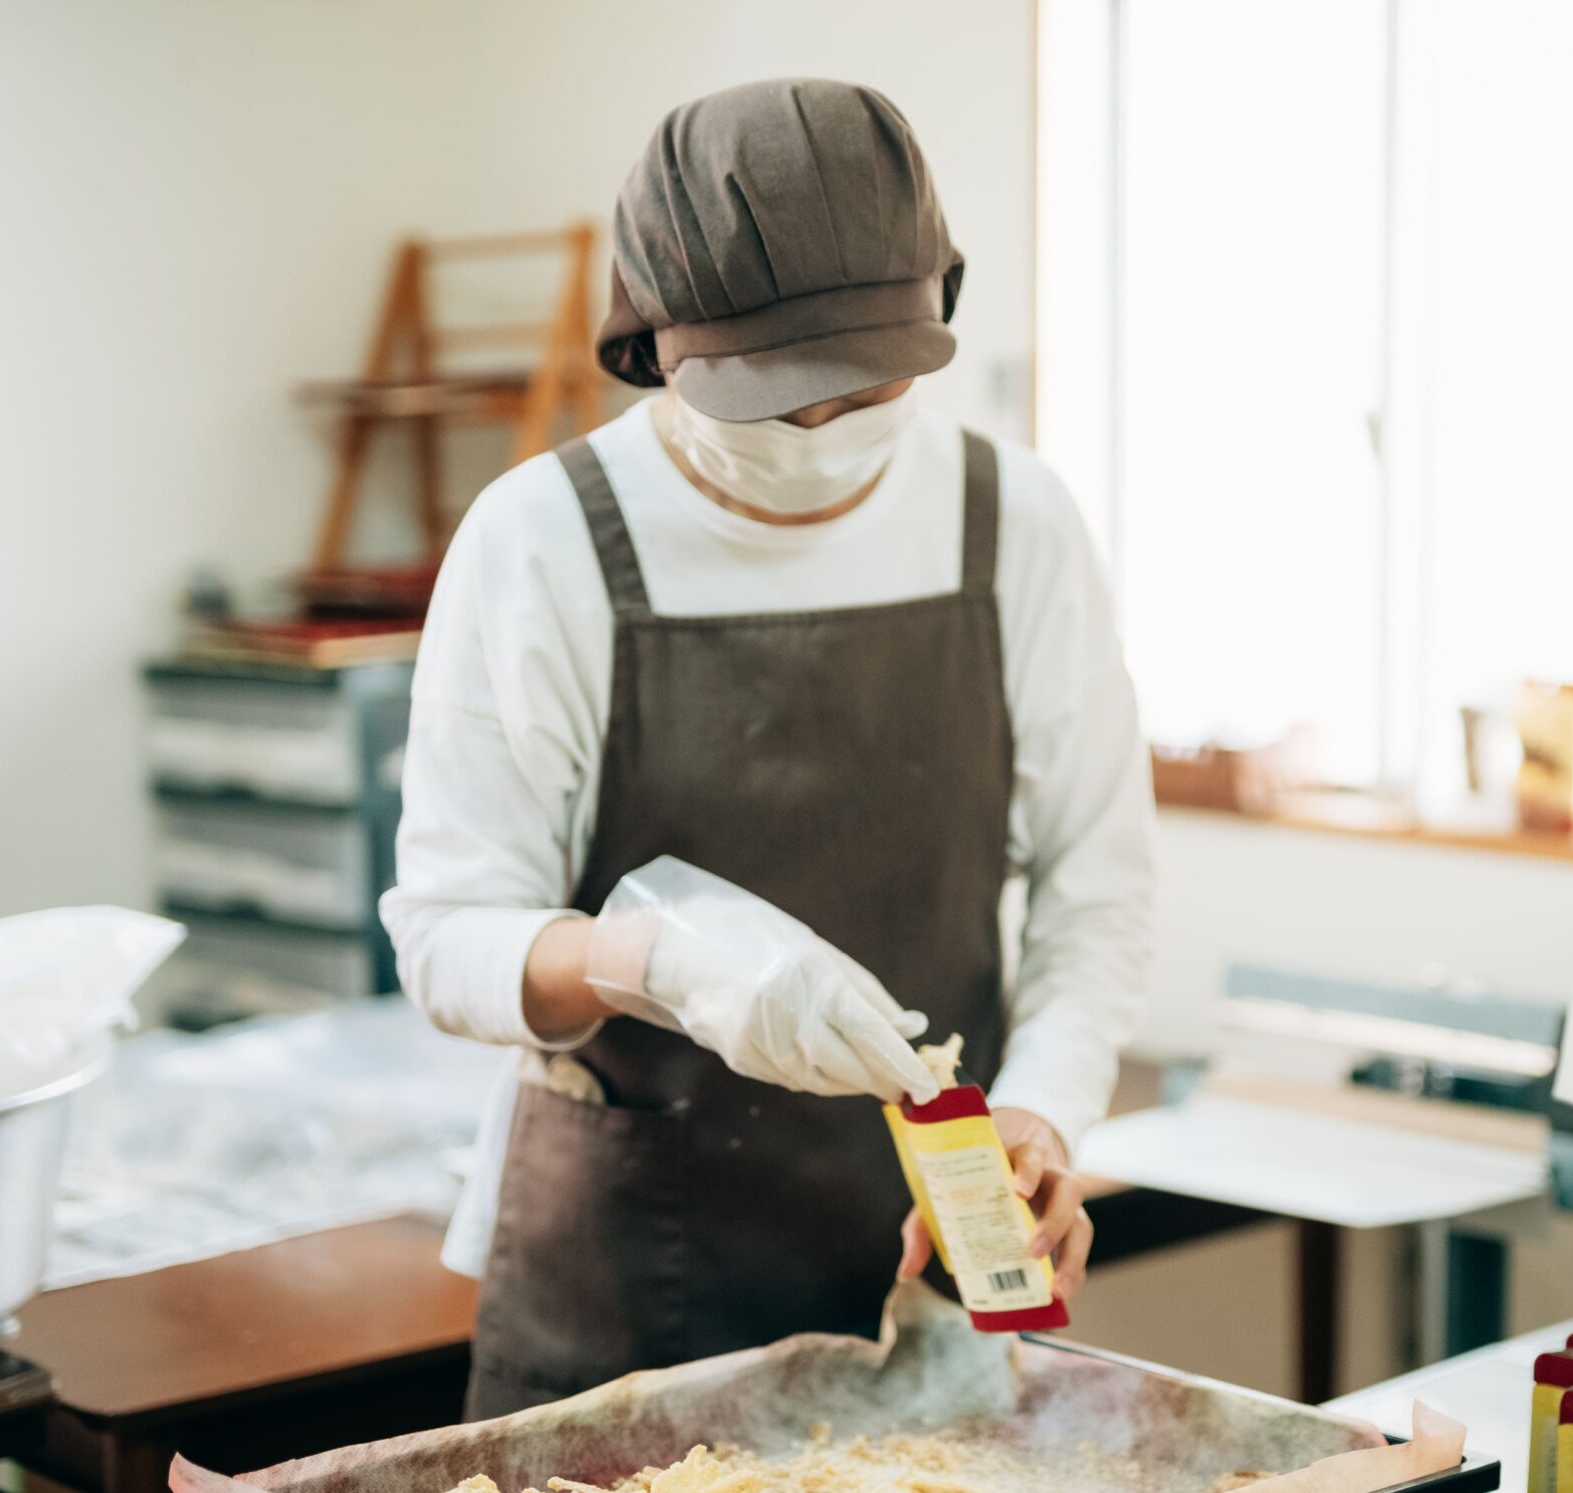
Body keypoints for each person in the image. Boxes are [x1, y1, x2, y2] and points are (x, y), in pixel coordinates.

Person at [382, 78, 1154, 1419]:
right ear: (655, 344)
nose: (816, 433)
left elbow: (1100, 887)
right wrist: (650, 962)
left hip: (929, 1251)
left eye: (860, 390)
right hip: (630, 1279)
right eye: (770, 396)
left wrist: (1040, 1118)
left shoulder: (1012, 521)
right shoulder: (541, 542)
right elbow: (448, 937)